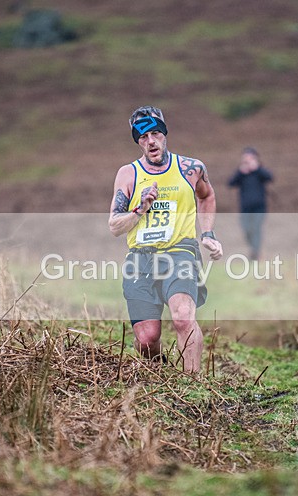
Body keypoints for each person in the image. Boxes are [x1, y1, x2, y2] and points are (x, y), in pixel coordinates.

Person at [109, 105, 223, 373]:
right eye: (143, 137)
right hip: (140, 259)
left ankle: (193, 386)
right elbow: (114, 226)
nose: (151, 141)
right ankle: (160, 372)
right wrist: (140, 208)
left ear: (165, 133)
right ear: (138, 141)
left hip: (179, 252)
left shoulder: (191, 168)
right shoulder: (128, 174)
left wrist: (207, 233)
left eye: (156, 134)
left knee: (183, 318)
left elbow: (206, 196)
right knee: (147, 339)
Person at [228, 147, 273, 261]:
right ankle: (253, 249)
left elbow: (270, 177)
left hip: (259, 207)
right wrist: (240, 172)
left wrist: (257, 169)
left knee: (256, 228)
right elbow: (230, 183)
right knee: (247, 229)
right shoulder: (242, 173)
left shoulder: (259, 171)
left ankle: (256, 253)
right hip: (245, 207)